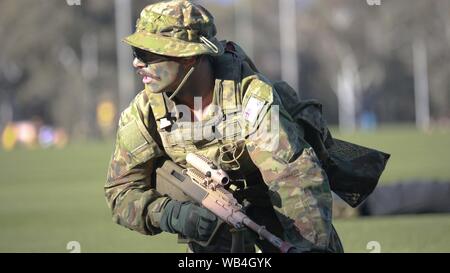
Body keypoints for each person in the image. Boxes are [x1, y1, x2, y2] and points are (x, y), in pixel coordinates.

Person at [104, 0, 343, 253]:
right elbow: (121, 191)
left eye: (147, 55)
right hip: (213, 233)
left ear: (188, 57)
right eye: (136, 53)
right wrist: (170, 214)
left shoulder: (251, 97)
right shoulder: (144, 112)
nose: (137, 64)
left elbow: (294, 177)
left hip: (282, 218)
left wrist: (308, 247)